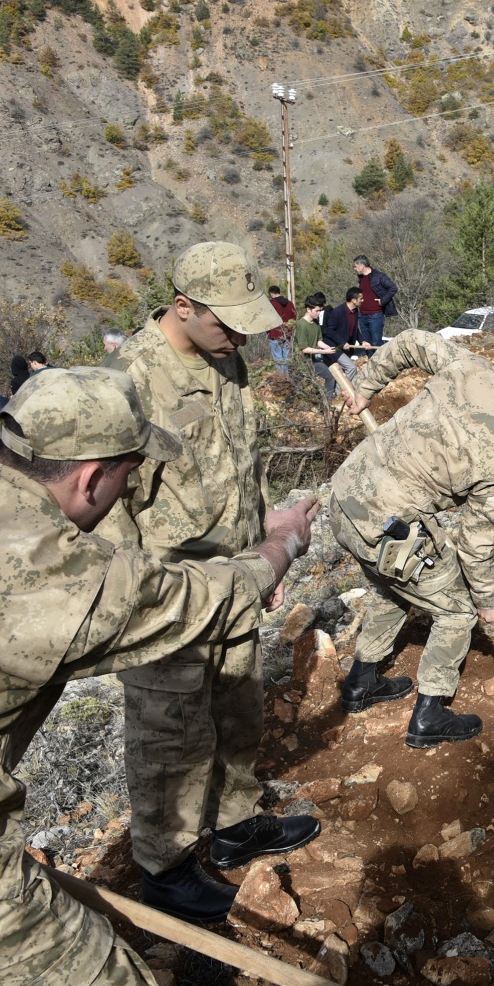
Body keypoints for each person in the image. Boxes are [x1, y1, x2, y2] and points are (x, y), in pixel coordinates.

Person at [0, 366, 318, 986]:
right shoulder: (56, 571)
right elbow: (214, 598)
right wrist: (284, 539)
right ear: (90, 480)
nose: (129, 490)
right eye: (128, 476)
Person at [99, 241, 320, 923]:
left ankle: (233, 825)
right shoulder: (129, 382)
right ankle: (164, 870)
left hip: (234, 577)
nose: (240, 337)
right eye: (228, 322)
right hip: (166, 591)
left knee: (237, 704)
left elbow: (245, 465)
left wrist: (264, 554)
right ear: (183, 306)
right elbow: (108, 507)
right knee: (169, 734)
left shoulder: (228, 359)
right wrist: (131, 606)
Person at [331, 330, 494, 745]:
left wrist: (365, 387)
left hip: (345, 496)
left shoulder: (474, 369)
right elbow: (474, 548)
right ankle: (430, 716)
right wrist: (489, 600)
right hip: (387, 527)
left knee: (393, 585)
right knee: (458, 610)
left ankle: (361, 684)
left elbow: (410, 341)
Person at [294, 296, 342, 401]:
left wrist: (328, 348)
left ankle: (328, 402)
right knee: (299, 388)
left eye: (320, 310)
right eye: (317, 311)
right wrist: (323, 351)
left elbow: (318, 341)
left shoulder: (316, 323)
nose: (319, 313)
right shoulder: (301, 325)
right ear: (308, 309)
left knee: (330, 376)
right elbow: (304, 349)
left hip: (313, 360)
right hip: (301, 362)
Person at [352, 255, 397, 350]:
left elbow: (393, 288)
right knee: (366, 344)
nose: (354, 269)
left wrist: (383, 301)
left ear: (362, 266)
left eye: (355, 266)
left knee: (376, 343)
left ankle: (379, 360)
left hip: (375, 315)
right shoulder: (361, 278)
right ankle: (370, 359)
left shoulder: (379, 276)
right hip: (362, 316)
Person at [266, 284, 296, 374]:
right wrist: (290, 330)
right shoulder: (290, 304)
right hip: (287, 334)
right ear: (279, 292)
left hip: (275, 334)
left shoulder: (271, 304)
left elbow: (267, 319)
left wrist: (268, 332)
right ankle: (288, 377)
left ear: (271, 293)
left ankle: (282, 379)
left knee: (278, 358)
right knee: (286, 358)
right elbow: (294, 318)